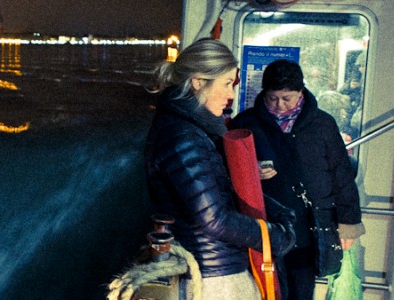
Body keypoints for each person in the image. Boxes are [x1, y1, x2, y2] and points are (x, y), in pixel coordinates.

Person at [144, 39, 297, 300]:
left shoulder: (191, 129)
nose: (232, 95)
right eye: (227, 83)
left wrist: (279, 212)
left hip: (213, 270)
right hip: (214, 279)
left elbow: (222, 193)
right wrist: (275, 237)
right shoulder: (183, 137)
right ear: (198, 82)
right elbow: (214, 219)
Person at [229, 59, 365, 300]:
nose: (279, 105)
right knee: (264, 290)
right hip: (264, 226)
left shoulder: (323, 124)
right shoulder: (246, 123)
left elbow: (340, 173)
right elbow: (227, 170)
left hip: (308, 225)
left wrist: (349, 221)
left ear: (301, 92)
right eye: (273, 98)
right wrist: (250, 172)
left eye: (287, 98)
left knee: (302, 291)